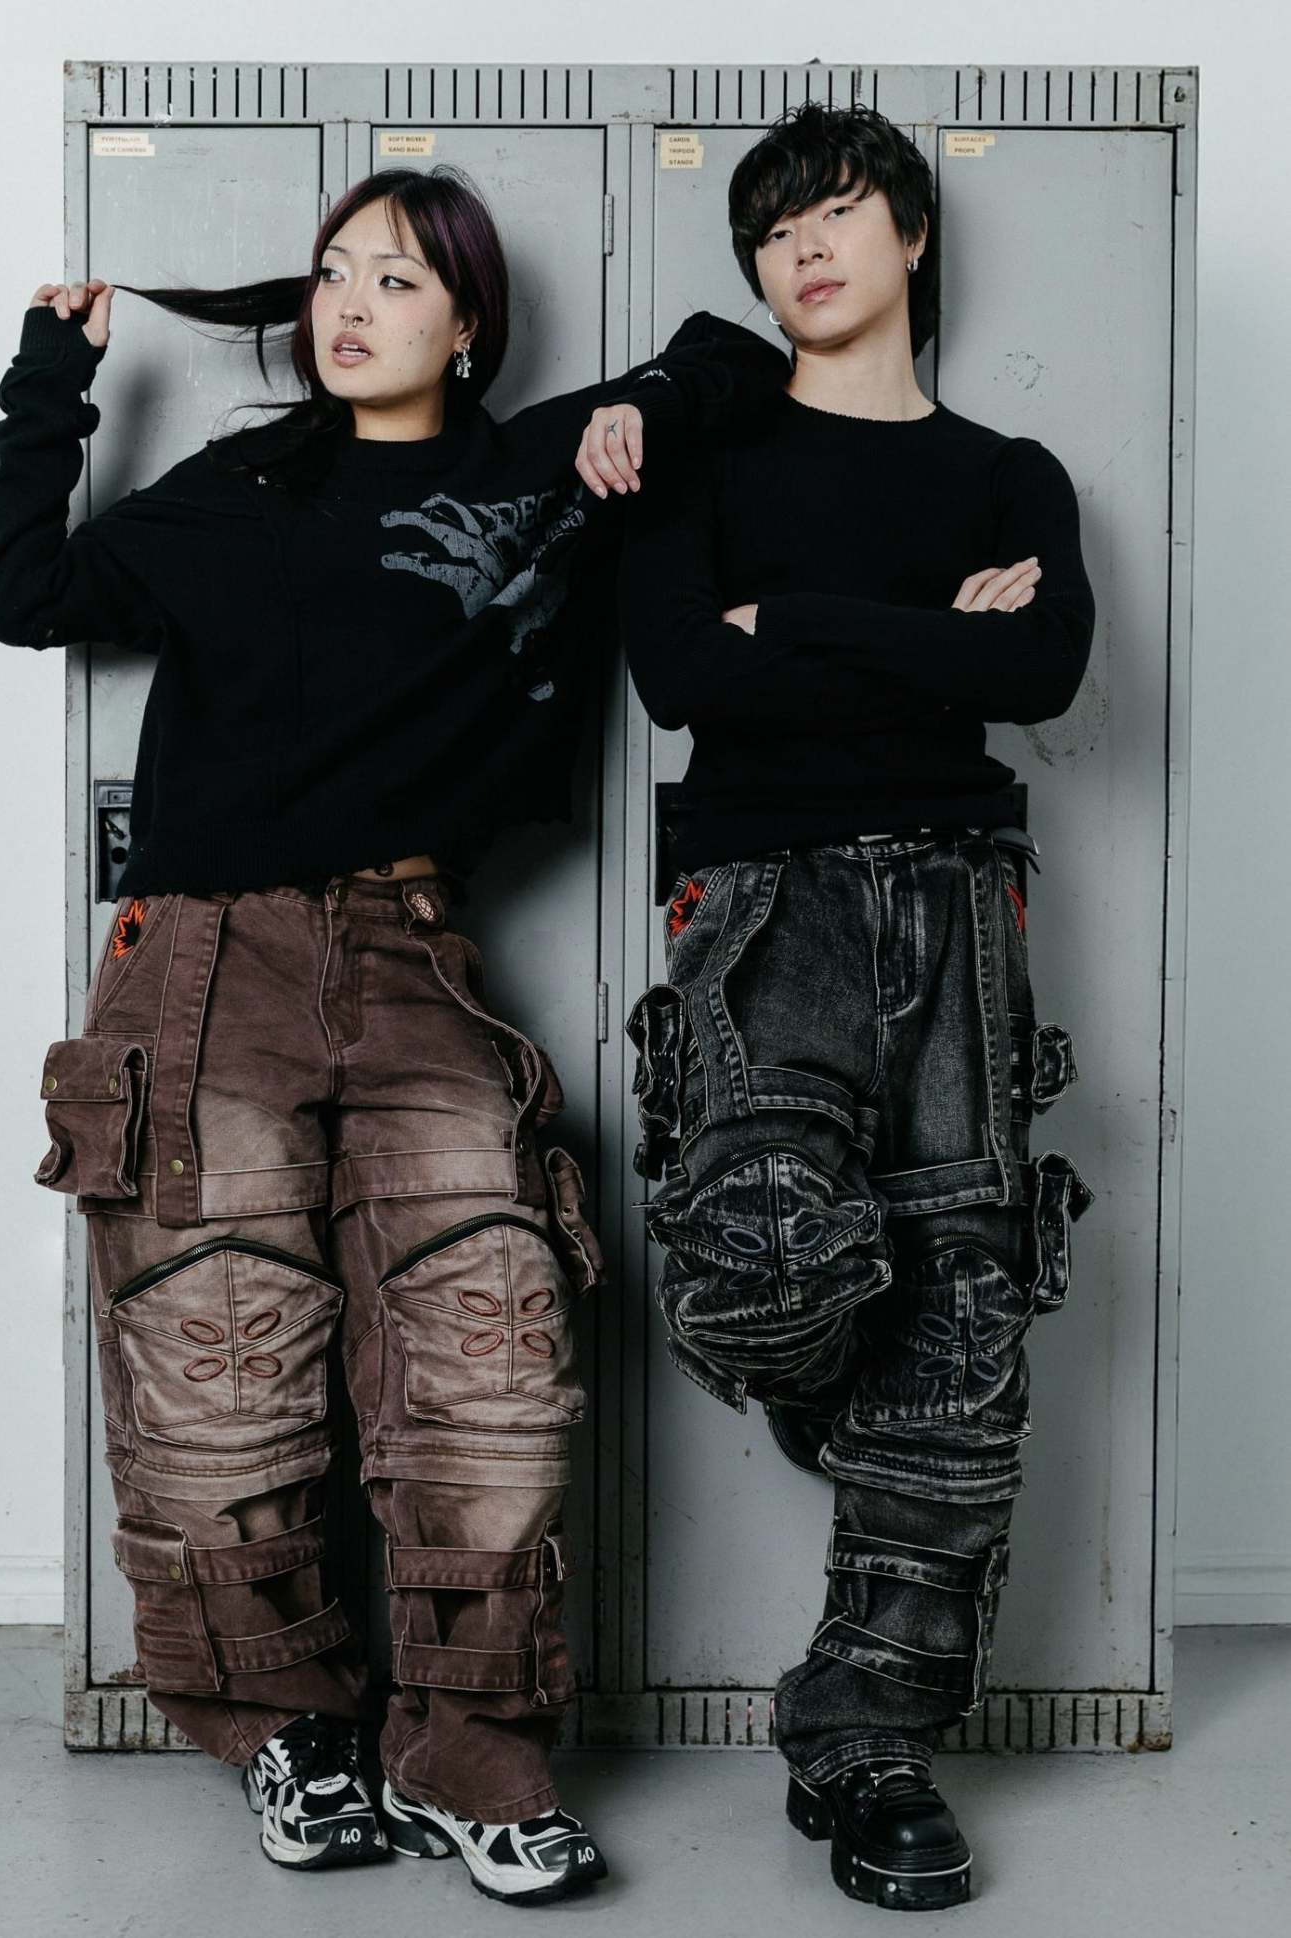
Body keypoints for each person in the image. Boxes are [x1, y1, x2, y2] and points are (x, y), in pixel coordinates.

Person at [0, 164, 784, 1906]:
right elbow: (25, 588)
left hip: (418, 957)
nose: (350, 304)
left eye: (400, 278)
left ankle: (466, 1748)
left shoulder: (533, 472)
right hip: (204, 963)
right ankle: (287, 1728)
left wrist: (643, 404)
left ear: (469, 322)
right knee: (219, 1370)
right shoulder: (242, 485)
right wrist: (51, 383)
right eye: (334, 271)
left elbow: (736, 356)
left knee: (495, 1357)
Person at [619, 104, 1096, 1913]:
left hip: (961, 902)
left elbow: (1043, 662)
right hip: (764, 902)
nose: (801, 248)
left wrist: (794, 624)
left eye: (833, 212)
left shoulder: (1010, 471)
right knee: (766, 1258)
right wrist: (920, 635)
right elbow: (679, 673)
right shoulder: (700, 453)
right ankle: (833, 1388)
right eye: (771, 230)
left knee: (963, 1333)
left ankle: (866, 1736)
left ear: (908, 234)